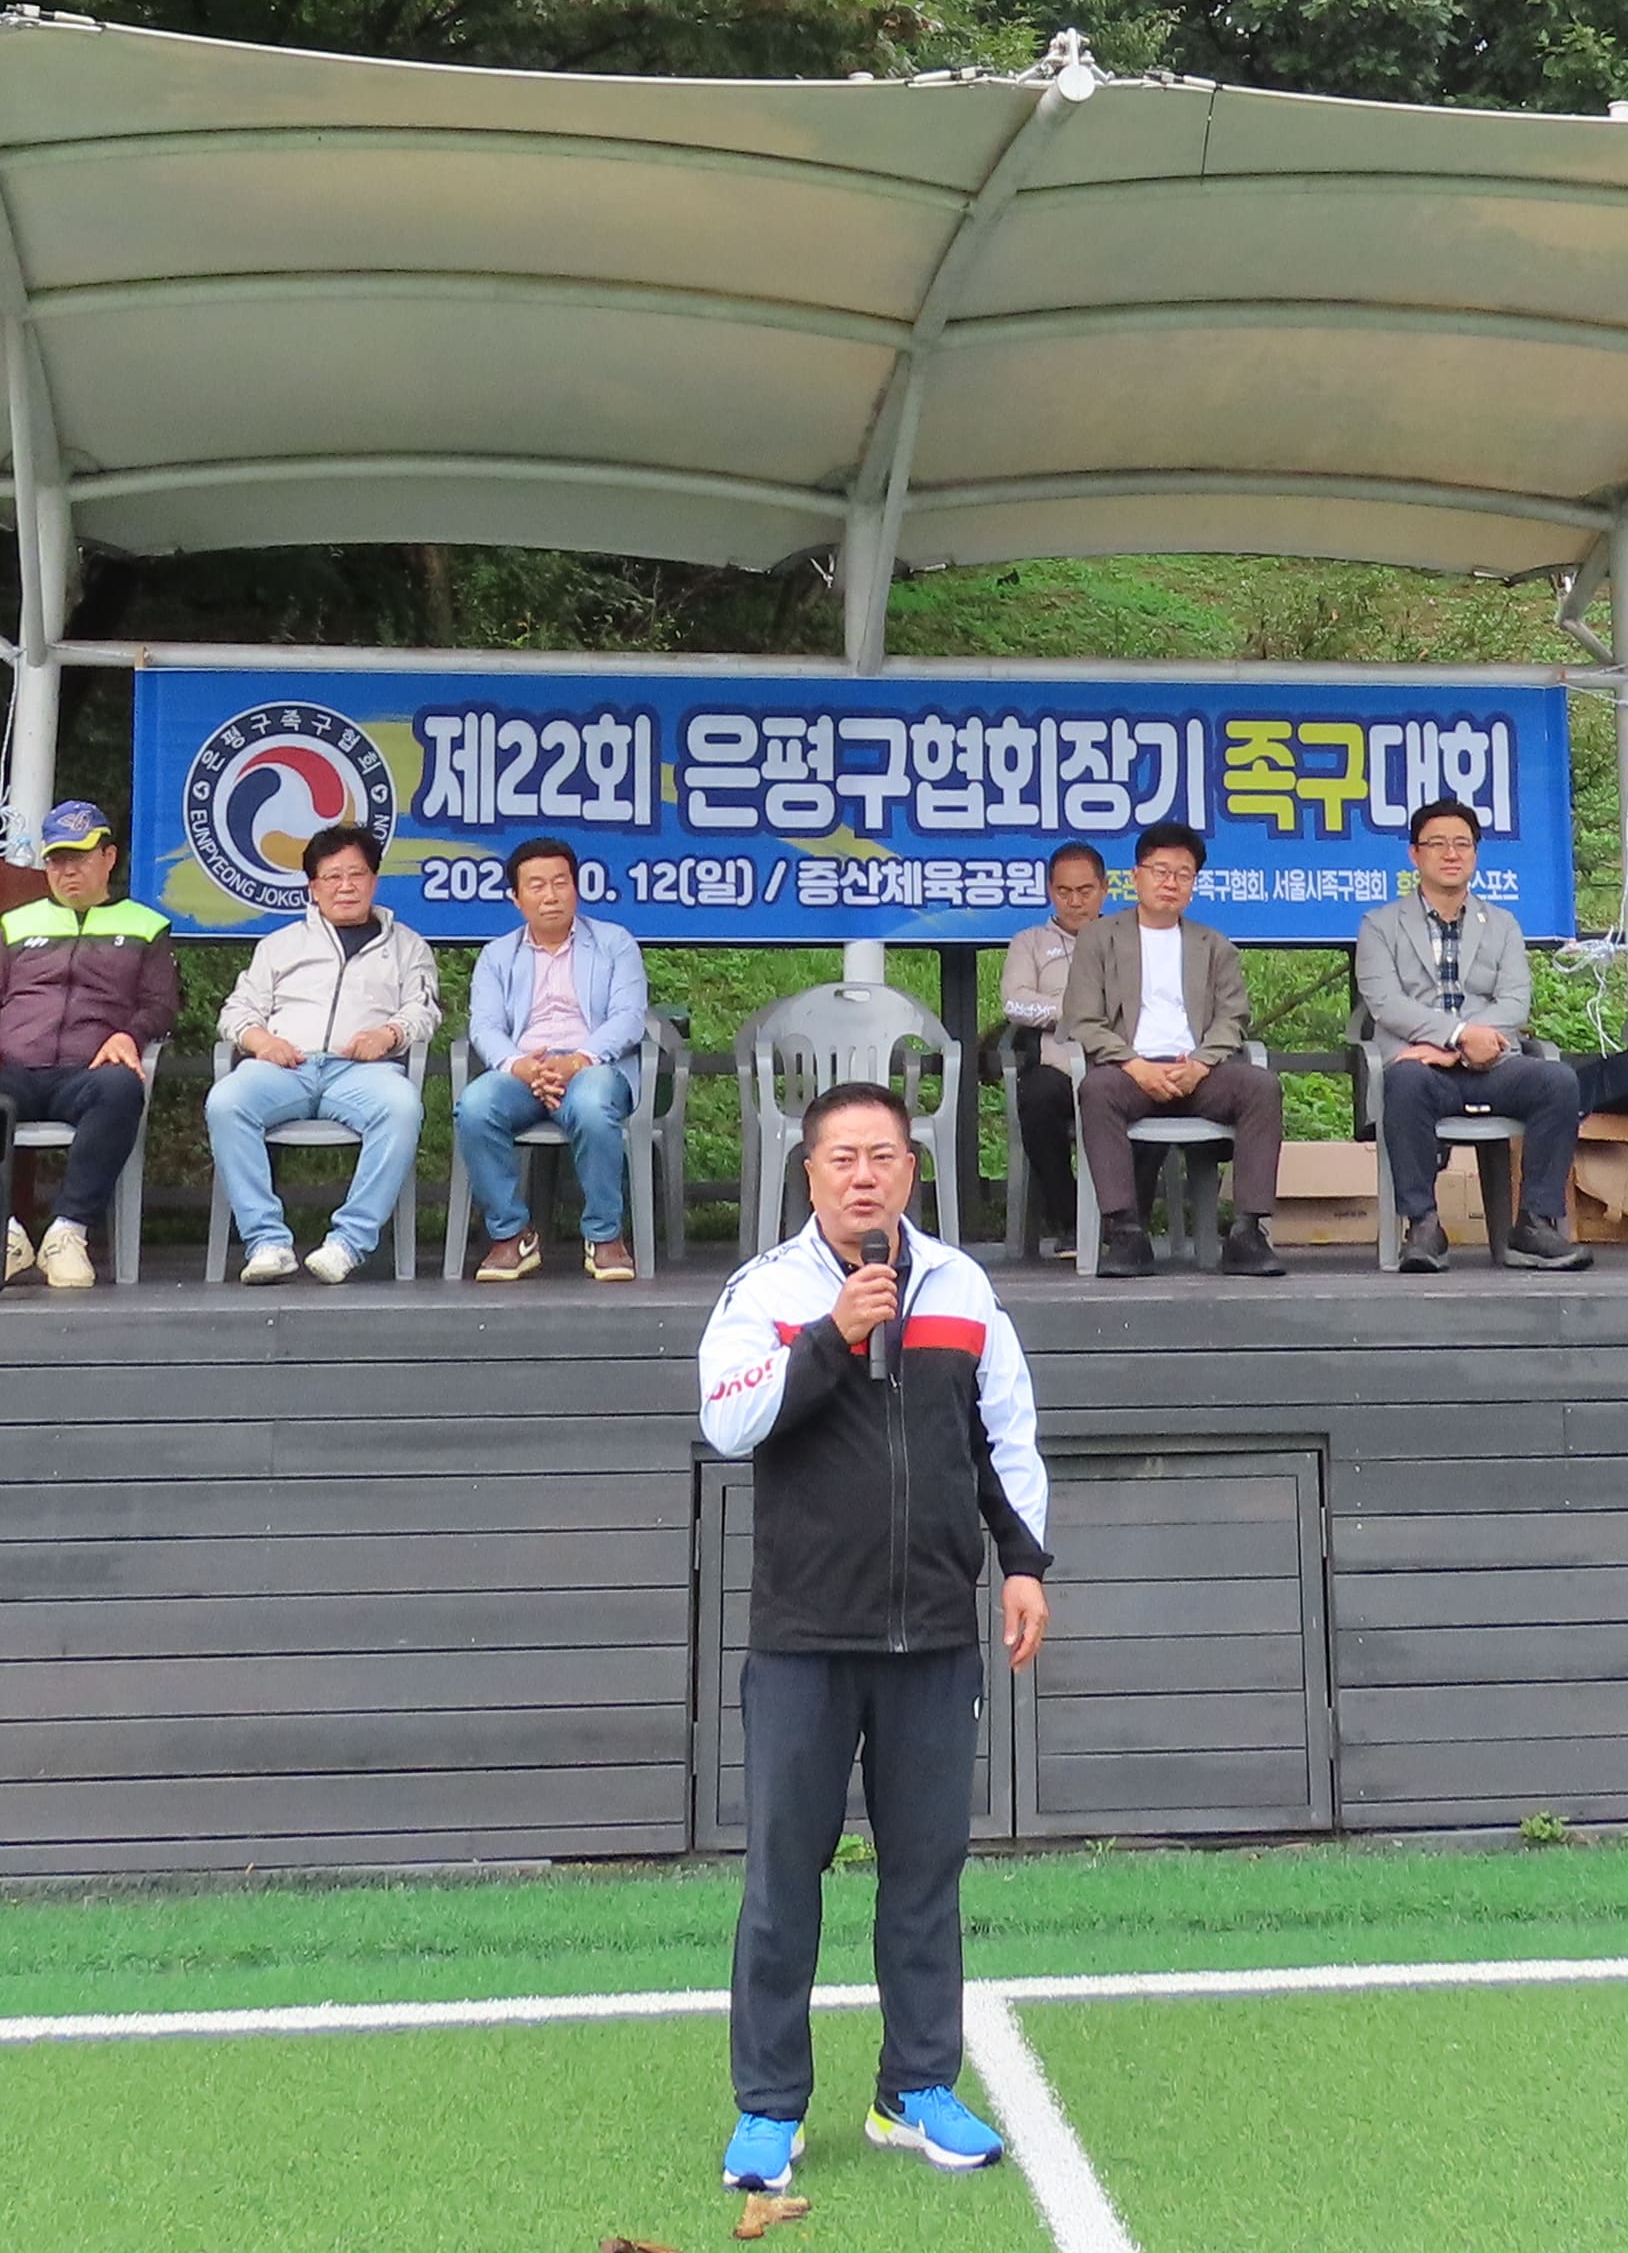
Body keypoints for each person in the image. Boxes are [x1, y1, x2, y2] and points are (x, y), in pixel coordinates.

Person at [695, 1078, 1050, 2198]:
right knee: (782, 1881)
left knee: (925, 1876)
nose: (864, 1177)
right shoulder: (765, 1291)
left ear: (910, 1170)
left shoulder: (962, 1287)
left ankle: (915, 2090)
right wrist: (832, 1338)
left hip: (936, 1636)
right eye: (842, 1158)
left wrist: (1025, 1564)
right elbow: (727, 1419)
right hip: (805, 1637)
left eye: (883, 1157)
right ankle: (769, 2105)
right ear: (809, 1174)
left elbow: (1003, 1438)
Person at [0, 798, 173, 1290]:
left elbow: (160, 1005)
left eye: (79, 859)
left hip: (89, 1071)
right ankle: (3, 1233)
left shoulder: (146, 925)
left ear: (108, 858)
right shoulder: (17, 924)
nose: (67, 873)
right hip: (13, 1068)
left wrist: (129, 1035)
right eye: (56, 861)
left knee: (121, 1089)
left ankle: (69, 1231)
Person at [1353, 798, 1589, 1272]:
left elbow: (1515, 1002)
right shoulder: (1379, 925)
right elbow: (1386, 1004)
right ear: (1414, 854)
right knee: (1404, 1082)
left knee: (1558, 1082)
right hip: (1422, 1068)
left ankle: (1535, 1223)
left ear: (1476, 854)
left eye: (1462, 844)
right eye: (1437, 844)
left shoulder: (1502, 924)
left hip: (1493, 1064)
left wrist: (1462, 1049)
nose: (1451, 854)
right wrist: (1459, 1036)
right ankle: (1423, 1225)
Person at [206, 824, 438, 1282]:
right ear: (313, 887)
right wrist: (262, 1041)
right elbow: (236, 1010)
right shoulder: (280, 945)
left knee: (402, 1107)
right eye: (332, 877)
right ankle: (267, 1242)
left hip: (362, 1071)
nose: (345, 886)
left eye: (356, 874)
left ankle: (347, 1243)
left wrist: (389, 1034)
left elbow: (424, 1009)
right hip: (286, 1066)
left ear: (374, 880)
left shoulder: (408, 945)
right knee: (226, 1102)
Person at [1057, 820, 1285, 1277]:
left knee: (1261, 1087)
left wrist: (1200, 1064)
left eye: (1183, 874)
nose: (1170, 883)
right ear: (1135, 876)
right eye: (1160, 871)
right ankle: (1125, 1233)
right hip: (1130, 1071)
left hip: (1197, 1072)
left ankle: (1247, 1232)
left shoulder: (1213, 945)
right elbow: (1083, 1018)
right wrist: (1134, 1065)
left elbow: (1233, 1017)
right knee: (1096, 1091)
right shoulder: (1100, 938)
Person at [457, 837, 653, 1281]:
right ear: (516, 898)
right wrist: (519, 1065)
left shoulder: (614, 944)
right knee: (475, 1107)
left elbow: (629, 1017)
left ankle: (604, 1236)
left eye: (561, 883)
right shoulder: (496, 955)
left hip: (593, 1066)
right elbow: (485, 1026)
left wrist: (579, 1059)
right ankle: (511, 1235)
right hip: (524, 1068)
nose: (551, 895)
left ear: (576, 888)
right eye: (537, 886)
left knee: (592, 1106)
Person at [993, 839, 1109, 1260]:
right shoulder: (1030, 942)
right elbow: (1015, 1003)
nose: (1075, 902)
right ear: (1050, 891)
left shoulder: (1128, 939)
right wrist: (1070, 1011)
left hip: (1118, 1064)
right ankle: (1070, 1220)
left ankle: (1121, 1220)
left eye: (1085, 891)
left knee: (1150, 1098)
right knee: (1036, 1098)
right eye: (1064, 891)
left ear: (1104, 889)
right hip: (1057, 1065)